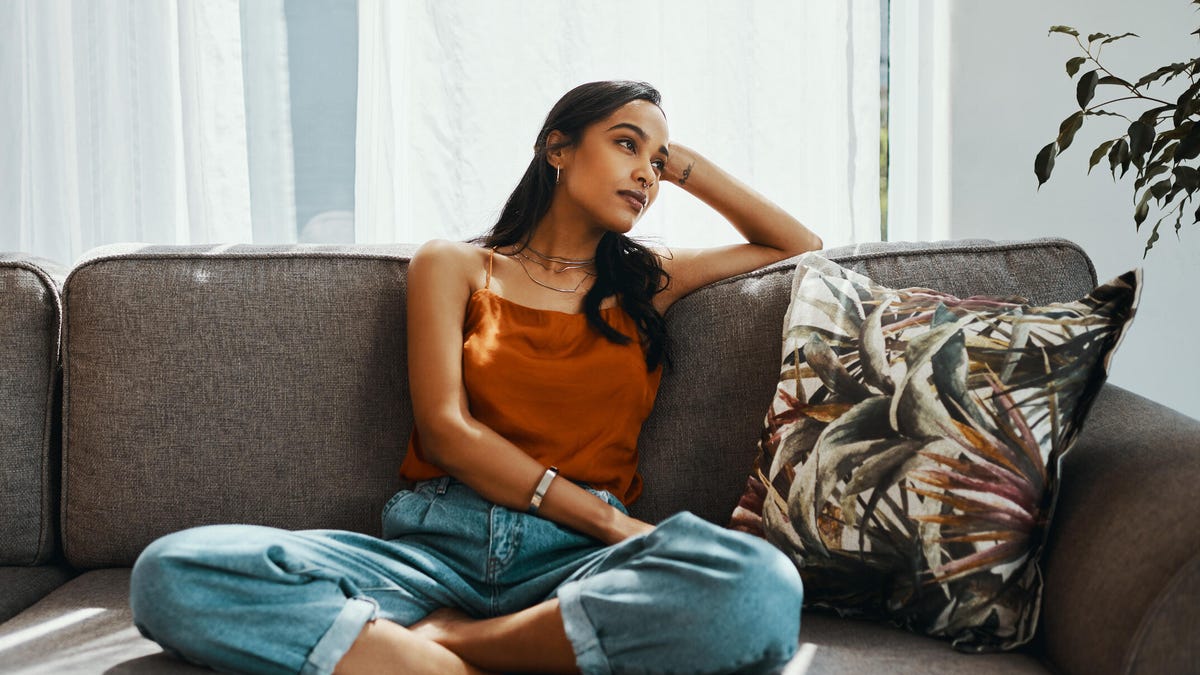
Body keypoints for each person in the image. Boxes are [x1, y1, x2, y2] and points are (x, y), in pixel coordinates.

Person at [129, 80, 823, 675]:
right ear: (557, 148)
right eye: (626, 143)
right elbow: (447, 430)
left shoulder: (650, 281)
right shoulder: (455, 266)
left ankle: (454, 646)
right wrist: (610, 520)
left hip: (576, 567)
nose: (646, 173)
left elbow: (797, 244)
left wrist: (684, 164)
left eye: (657, 160)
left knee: (759, 588)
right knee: (171, 571)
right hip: (436, 550)